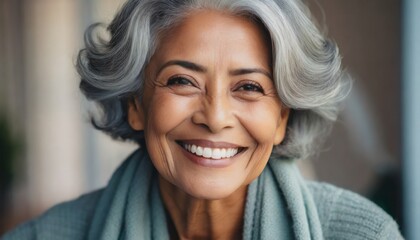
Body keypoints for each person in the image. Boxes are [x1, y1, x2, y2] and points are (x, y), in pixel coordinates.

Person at [3, 0, 403, 239]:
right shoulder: (48, 235)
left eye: (248, 87)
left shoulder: (362, 234)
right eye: (182, 81)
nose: (215, 117)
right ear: (135, 104)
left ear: (282, 117)